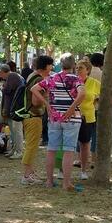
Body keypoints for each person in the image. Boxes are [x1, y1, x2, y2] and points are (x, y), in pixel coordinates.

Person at [33, 54, 85, 189]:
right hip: (72, 118)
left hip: (54, 118)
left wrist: (47, 104)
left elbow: (34, 89)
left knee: (51, 149)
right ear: (74, 65)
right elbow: (82, 94)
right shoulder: (76, 79)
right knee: (69, 151)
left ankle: (49, 181)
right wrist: (72, 107)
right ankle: (66, 183)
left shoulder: (52, 78)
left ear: (60, 64)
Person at [19, 55, 54, 185]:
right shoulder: (39, 79)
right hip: (33, 116)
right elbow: (35, 101)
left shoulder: (32, 76)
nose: (51, 68)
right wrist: (46, 97)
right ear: (45, 66)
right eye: (50, 65)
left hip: (29, 116)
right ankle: (26, 175)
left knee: (31, 145)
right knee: (32, 146)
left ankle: (30, 172)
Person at [76, 59, 100, 180]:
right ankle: (61, 169)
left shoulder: (95, 83)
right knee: (65, 143)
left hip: (88, 116)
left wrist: (92, 103)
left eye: (80, 68)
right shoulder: (72, 81)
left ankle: (83, 170)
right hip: (72, 116)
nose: (77, 70)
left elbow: (99, 98)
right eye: (76, 67)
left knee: (85, 143)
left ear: (88, 70)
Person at [0, 63, 25, 160]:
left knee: (16, 130)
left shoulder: (12, 76)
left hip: (15, 109)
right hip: (12, 109)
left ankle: (19, 151)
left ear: (2, 72)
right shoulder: (13, 76)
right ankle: (14, 149)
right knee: (13, 131)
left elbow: (7, 90)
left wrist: (2, 87)